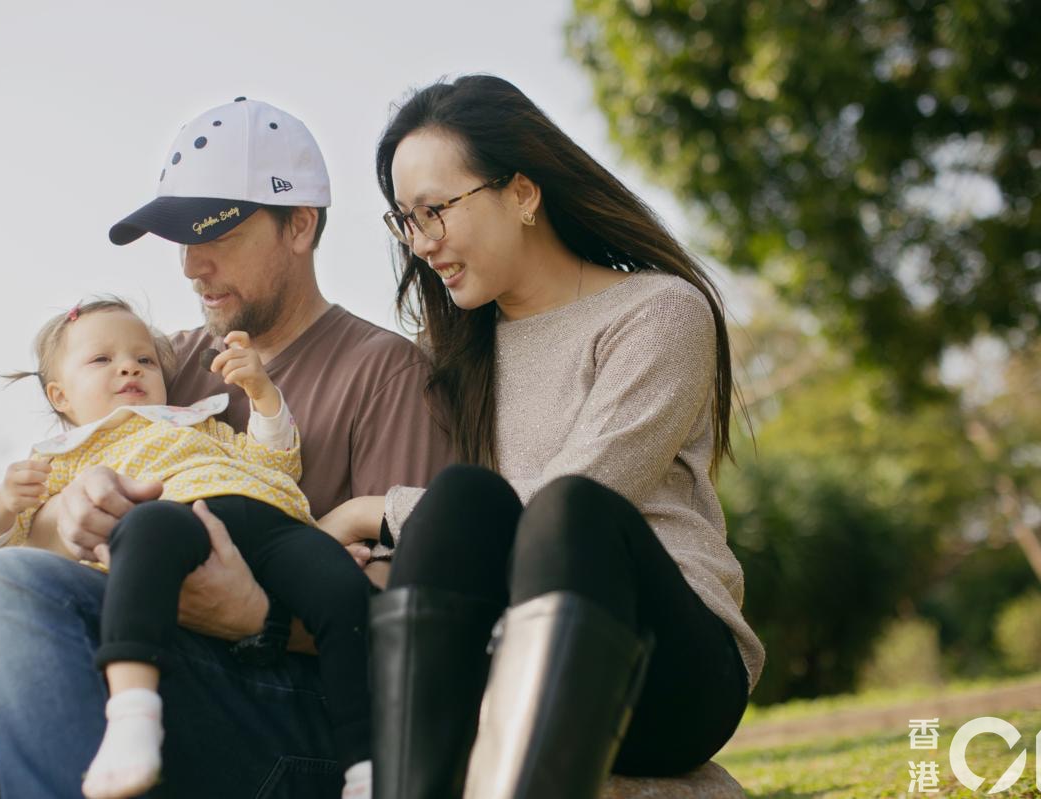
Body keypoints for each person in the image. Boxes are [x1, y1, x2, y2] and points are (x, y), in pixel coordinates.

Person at [0, 97, 451, 799]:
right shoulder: (159, 359)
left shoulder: (386, 372)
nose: (191, 265)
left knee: (5, 584)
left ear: (300, 225)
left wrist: (256, 616)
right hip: (148, 657)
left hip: (297, 705)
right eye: (178, 237)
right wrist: (62, 517)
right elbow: (50, 514)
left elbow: (421, 618)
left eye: (215, 232)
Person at [317, 75, 767, 799]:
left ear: (522, 193)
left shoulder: (657, 313)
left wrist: (376, 510)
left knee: (566, 508)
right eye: (404, 219)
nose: (421, 242)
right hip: (508, 660)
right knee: (463, 498)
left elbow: (584, 492)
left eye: (436, 210)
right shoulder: (460, 359)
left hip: (671, 667)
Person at [0, 297, 375, 799]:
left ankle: (364, 764)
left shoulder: (196, 422)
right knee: (147, 528)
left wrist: (262, 394)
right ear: (60, 396)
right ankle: (133, 714)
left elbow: (275, 461)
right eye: (102, 360)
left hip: (270, 521)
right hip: (173, 517)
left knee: (343, 588)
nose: (128, 367)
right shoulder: (66, 458)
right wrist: (3, 500)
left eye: (145, 359)